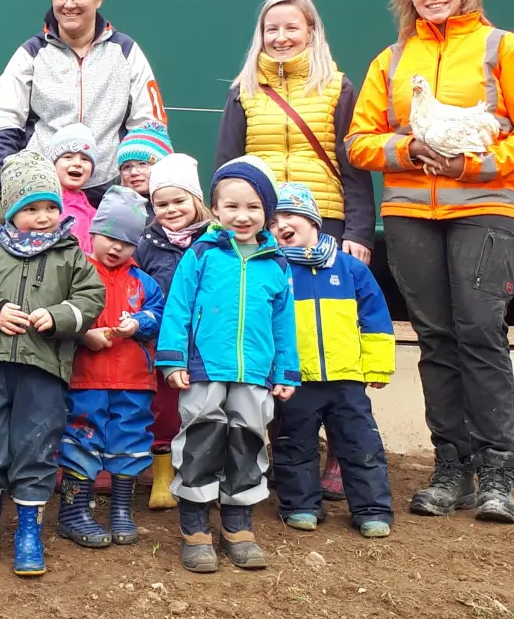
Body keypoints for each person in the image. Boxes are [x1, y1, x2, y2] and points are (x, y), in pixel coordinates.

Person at [347, 0, 514, 524]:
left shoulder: (503, 48)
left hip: (484, 210)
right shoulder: (389, 62)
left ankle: (497, 473)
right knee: (436, 338)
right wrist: (410, 148)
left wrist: (474, 164)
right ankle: (450, 469)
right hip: (411, 215)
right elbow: (360, 141)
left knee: (481, 334)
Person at [0, 151, 105, 576]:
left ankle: (29, 533)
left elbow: (92, 299)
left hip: (44, 369)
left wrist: (58, 317)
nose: (43, 217)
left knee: (36, 447)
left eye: (50, 207)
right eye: (30, 208)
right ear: (11, 211)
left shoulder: (71, 255)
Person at [155, 157, 300, 574]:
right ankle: (196, 523)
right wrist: (172, 358)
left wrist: (287, 370)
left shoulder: (276, 263)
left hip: (255, 371)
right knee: (201, 438)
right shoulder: (201, 254)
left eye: (253, 207)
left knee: (248, 440)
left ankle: (238, 523)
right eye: (232, 206)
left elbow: (284, 322)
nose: (242, 215)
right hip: (204, 367)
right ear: (214, 209)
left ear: (266, 212)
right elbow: (178, 308)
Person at [269, 183, 395, 538]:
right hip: (296, 379)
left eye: (290, 215)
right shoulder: (275, 269)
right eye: (274, 220)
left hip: (347, 379)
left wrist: (377, 365)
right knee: (294, 444)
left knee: (360, 444)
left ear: (313, 220)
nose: (282, 225)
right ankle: (301, 506)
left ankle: (372, 509)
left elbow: (375, 317)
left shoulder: (351, 268)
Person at [214, 0, 375, 263]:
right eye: (271, 29)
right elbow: (227, 167)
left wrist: (359, 233)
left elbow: (353, 168)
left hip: (324, 220)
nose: (281, 38)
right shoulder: (243, 90)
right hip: (261, 221)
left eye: (291, 28)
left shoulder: (337, 87)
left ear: (310, 32)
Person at [0, 0, 168, 194]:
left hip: (110, 188)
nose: (69, 4)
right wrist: (6, 184)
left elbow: (149, 124)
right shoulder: (31, 53)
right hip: (41, 190)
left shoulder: (125, 51)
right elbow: (5, 123)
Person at [57, 187, 163, 550]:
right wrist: (84, 334)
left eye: (127, 242)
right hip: (85, 378)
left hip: (134, 381)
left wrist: (139, 323)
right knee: (81, 439)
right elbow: (60, 315)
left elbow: (159, 315)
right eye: (109, 237)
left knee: (130, 441)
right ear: (93, 232)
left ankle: (121, 509)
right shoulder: (77, 271)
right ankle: (73, 512)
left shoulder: (144, 281)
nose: (116, 247)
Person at [133, 153, 212, 511]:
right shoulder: (146, 242)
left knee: (205, 408)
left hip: (207, 341)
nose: (170, 209)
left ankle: (201, 473)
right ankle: (162, 475)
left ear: (196, 200)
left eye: (179, 200)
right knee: (164, 409)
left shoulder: (215, 240)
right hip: (165, 341)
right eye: (160, 203)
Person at [46, 123, 98, 252]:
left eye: (85, 159)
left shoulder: (95, 213)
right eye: (68, 157)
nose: (77, 163)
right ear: (53, 165)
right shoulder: (44, 202)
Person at [116, 121, 172, 199]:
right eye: (126, 167)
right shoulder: (114, 206)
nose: (133, 172)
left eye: (142, 164)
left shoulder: (181, 202)